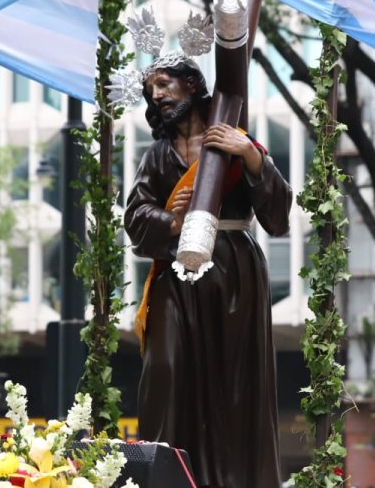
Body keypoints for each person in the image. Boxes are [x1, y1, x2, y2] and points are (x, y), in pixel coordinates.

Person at [125, 55, 292, 488]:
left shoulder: (235, 141)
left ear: (193, 85)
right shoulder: (158, 155)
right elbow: (136, 218)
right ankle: (166, 477)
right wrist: (172, 221)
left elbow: (278, 216)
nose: (157, 95)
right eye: (151, 90)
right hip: (176, 278)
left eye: (165, 84)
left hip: (234, 276)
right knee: (165, 370)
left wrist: (252, 157)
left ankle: (235, 479)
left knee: (234, 382)